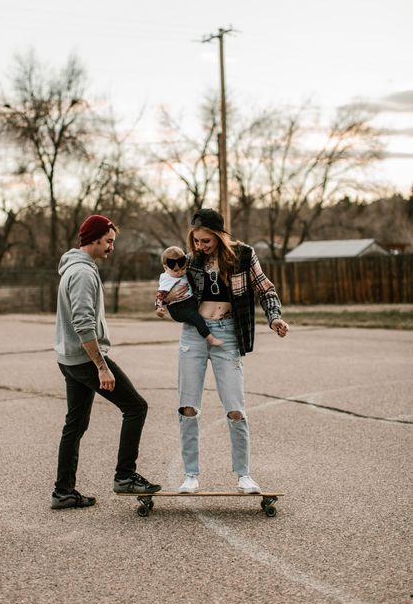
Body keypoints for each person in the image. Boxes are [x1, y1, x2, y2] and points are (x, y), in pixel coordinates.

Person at [165, 208, 289, 494]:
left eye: (206, 241)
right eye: (196, 241)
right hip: (194, 335)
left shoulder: (244, 255)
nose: (200, 246)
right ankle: (191, 476)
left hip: (228, 335)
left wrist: (275, 317)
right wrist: (167, 298)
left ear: (220, 236)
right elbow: (171, 288)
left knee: (235, 408)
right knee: (188, 406)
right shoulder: (191, 260)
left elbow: (265, 288)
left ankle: (244, 476)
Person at [52, 214, 161, 510]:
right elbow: (84, 324)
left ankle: (63, 492)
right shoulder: (84, 274)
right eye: (109, 241)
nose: (112, 247)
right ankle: (125, 477)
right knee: (135, 407)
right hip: (85, 359)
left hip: (69, 358)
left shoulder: (73, 268)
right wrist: (102, 366)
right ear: (95, 239)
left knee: (74, 425)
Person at [155, 246, 223, 347]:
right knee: (197, 319)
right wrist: (159, 308)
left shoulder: (184, 274)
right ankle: (210, 338)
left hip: (189, 301)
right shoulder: (167, 279)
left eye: (183, 269)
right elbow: (160, 295)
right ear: (165, 267)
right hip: (178, 308)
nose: (180, 272)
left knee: (200, 314)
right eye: (176, 270)